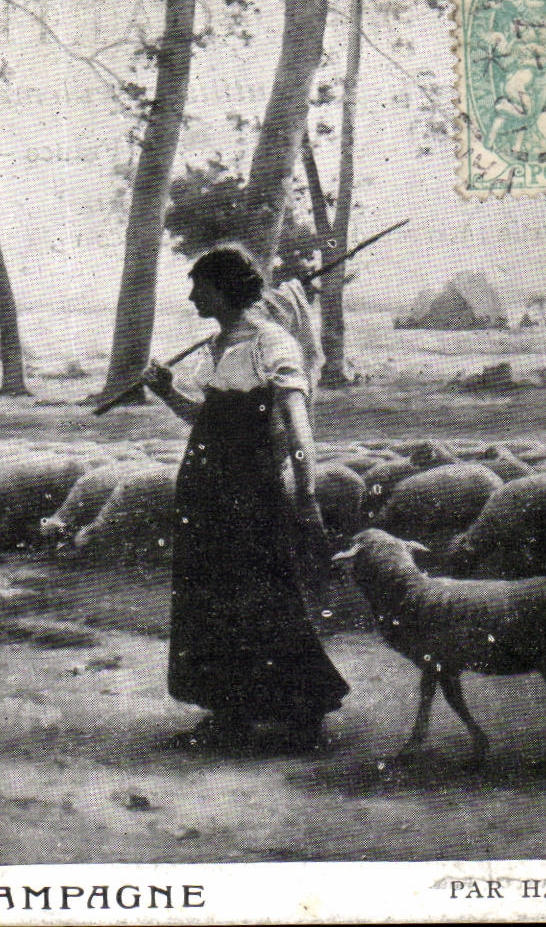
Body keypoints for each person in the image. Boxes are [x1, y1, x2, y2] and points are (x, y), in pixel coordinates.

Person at [143, 244, 348, 753]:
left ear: (223, 288)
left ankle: (302, 716)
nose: (192, 296)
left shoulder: (271, 343)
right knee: (210, 601)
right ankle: (227, 713)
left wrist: (306, 499)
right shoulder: (219, 345)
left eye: (200, 286)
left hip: (251, 492)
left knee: (265, 596)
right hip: (205, 491)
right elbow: (208, 420)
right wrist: (168, 391)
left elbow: (299, 431)